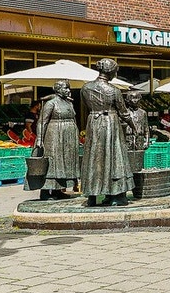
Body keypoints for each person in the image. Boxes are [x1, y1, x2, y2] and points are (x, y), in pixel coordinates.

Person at [80, 58, 134, 206]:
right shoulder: (114, 90)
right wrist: (133, 126)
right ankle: (116, 196)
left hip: (93, 122)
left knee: (94, 158)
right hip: (110, 123)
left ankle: (93, 195)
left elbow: (85, 106)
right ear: (110, 72)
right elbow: (123, 113)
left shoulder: (85, 88)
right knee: (115, 158)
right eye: (115, 72)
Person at [37, 79, 79, 200]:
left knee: (64, 163)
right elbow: (42, 121)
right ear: (58, 89)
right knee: (53, 163)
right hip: (54, 135)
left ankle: (58, 190)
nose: (68, 90)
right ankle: (45, 192)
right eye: (66, 88)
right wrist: (40, 138)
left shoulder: (69, 103)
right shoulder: (51, 103)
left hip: (68, 137)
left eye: (68, 88)